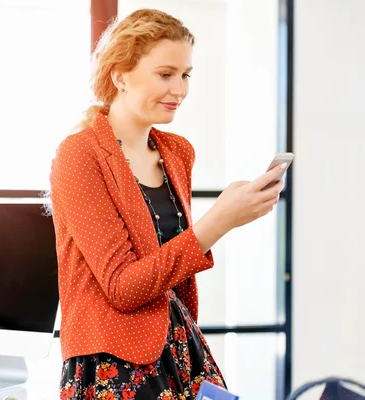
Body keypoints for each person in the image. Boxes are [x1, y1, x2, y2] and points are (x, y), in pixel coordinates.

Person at [49, 8, 287, 400]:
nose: (180, 89)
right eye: (165, 74)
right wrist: (220, 220)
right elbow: (122, 287)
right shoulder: (79, 155)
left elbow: (168, 267)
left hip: (180, 346)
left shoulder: (177, 152)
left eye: (186, 74)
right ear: (120, 75)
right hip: (114, 361)